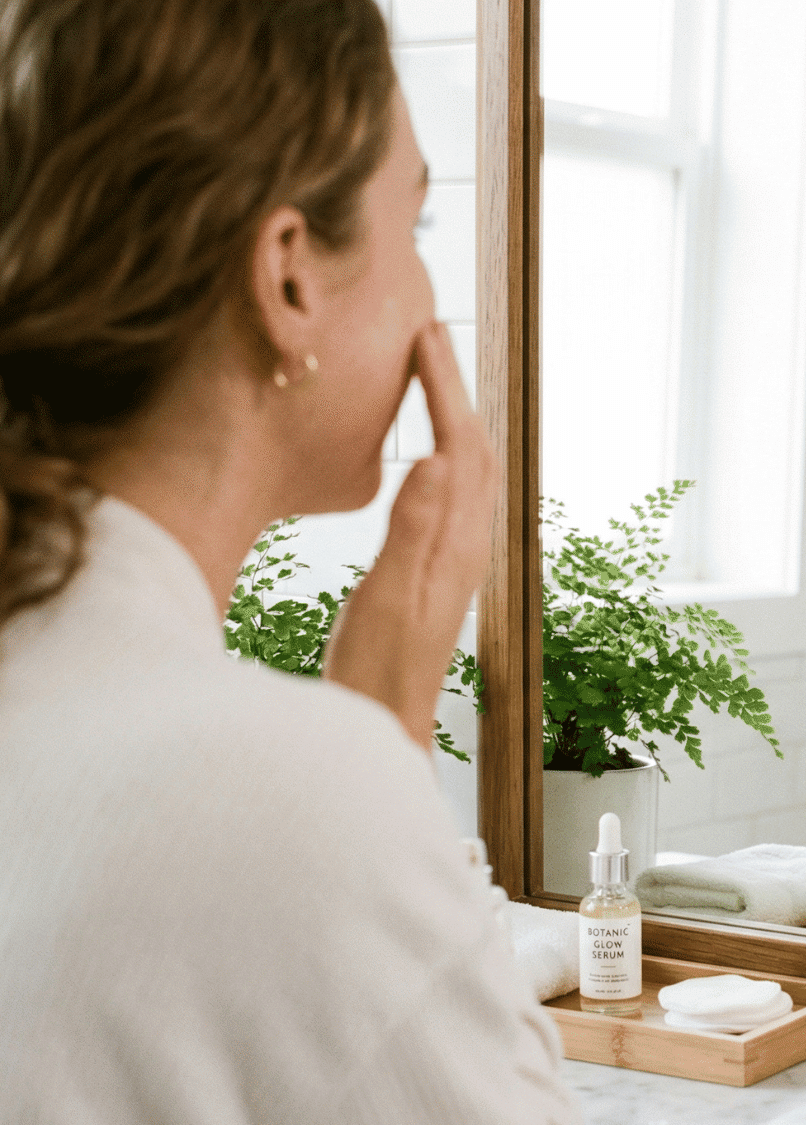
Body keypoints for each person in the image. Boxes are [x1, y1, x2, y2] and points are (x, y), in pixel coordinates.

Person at [0, 1, 580, 1119]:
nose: (426, 298)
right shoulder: (287, 794)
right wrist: (386, 730)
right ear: (288, 278)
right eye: (414, 229)